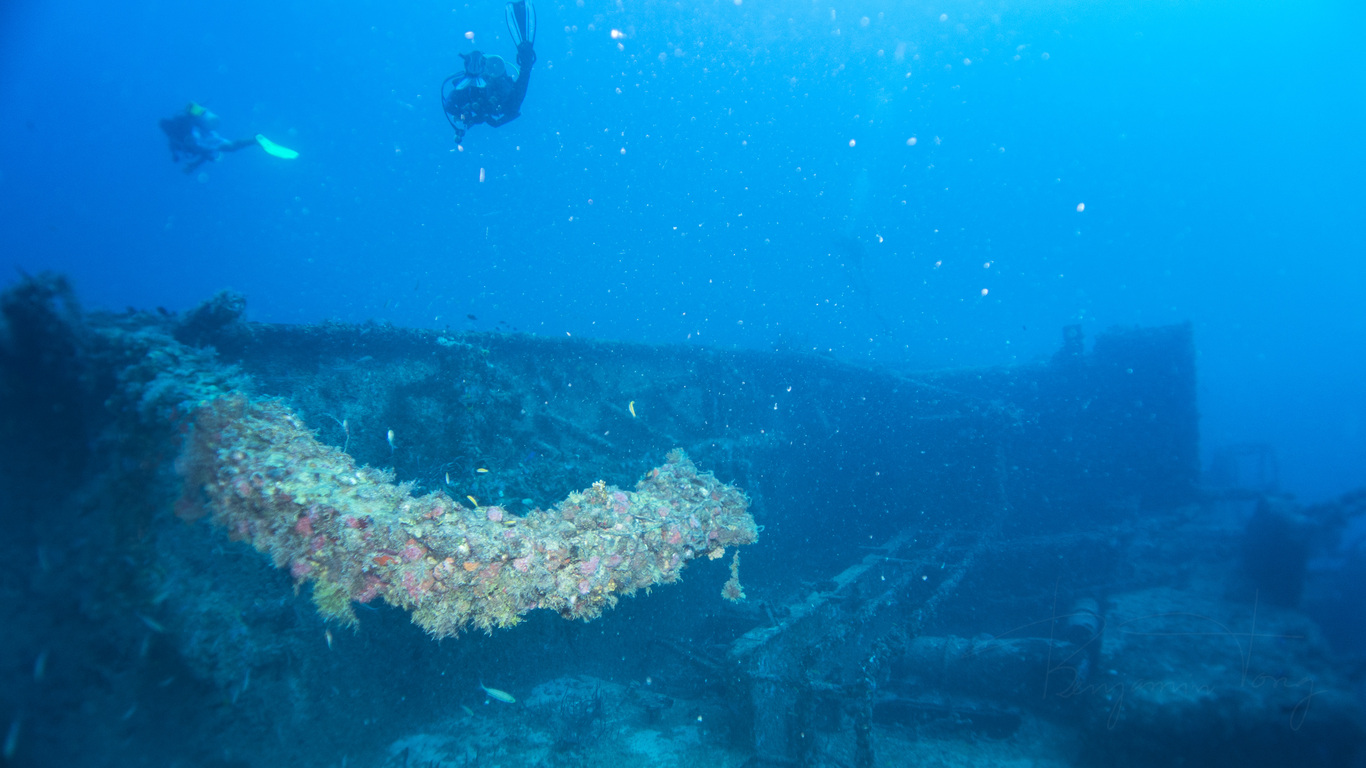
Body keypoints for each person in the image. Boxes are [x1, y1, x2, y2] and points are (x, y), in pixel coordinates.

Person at [442, 0, 537, 145]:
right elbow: (450, 105)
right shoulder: (472, 90)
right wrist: (464, 115)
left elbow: (450, 105)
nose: (490, 78)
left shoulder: (505, 98)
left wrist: (526, 65)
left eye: (493, 70)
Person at [159, 103, 258, 174]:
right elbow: (203, 151)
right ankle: (254, 140)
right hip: (205, 134)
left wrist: (194, 165)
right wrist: (194, 164)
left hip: (202, 137)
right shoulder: (176, 135)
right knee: (231, 147)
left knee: (230, 147)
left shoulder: (175, 138)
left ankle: (254, 140)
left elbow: (201, 150)